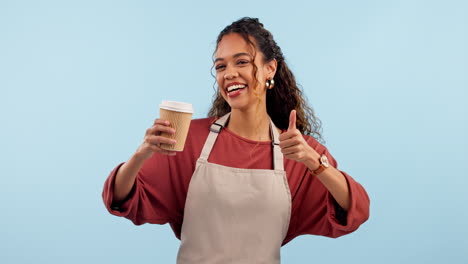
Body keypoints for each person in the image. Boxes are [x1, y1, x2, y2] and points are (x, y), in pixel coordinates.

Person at [102, 17, 370, 263]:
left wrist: (314, 163)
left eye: (241, 62)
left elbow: (355, 208)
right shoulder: (190, 140)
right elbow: (123, 198)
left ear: (270, 69)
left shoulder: (298, 151)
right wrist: (140, 156)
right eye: (221, 66)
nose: (228, 73)